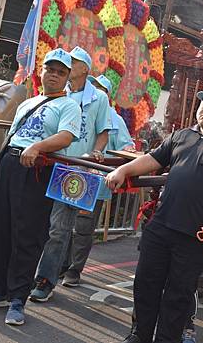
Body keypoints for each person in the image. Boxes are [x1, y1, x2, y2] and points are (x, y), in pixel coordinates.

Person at [106, 84, 203, 343]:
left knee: (178, 292)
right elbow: (153, 159)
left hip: (195, 233)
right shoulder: (182, 135)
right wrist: (124, 170)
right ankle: (140, 334)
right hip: (162, 225)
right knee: (146, 283)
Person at [0, 48, 82, 325]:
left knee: (27, 234)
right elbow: (9, 140)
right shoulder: (27, 103)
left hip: (36, 169)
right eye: (50, 69)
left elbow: (66, 136)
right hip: (10, 164)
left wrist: (38, 146)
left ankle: (18, 298)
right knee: (0, 229)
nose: (54, 75)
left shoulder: (68, 105)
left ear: (68, 77)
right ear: (41, 72)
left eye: (61, 72)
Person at [30, 46, 112, 302]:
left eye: (74, 63)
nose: (69, 66)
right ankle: (40, 270)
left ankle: (45, 280)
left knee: (60, 227)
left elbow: (103, 131)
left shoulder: (98, 98)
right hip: (48, 165)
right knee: (42, 224)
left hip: (75, 169)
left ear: (85, 69)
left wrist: (93, 156)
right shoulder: (57, 93)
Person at [60, 75, 135, 288]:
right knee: (62, 224)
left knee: (82, 228)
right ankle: (60, 265)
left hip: (94, 182)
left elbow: (126, 147)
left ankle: (74, 269)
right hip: (70, 177)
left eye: (100, 89)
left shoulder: (115, 119)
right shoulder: (75, 108)